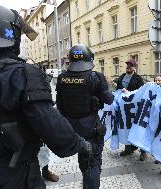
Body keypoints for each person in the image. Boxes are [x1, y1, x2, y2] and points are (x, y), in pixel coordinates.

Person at [0, 3, 92, 189]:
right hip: (18, 173)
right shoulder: (20, 74)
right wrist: (80, 144)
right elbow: (51, 125)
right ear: (9, 34)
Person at [56, 44, 114, 189]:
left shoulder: (62, 78)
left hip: (72, 129)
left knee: (83, 157)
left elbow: (60, 106)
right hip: (91, 128)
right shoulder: (95, 77)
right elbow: (109, 100)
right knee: (93, 163)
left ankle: (87, 182)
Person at [25, 58, 59, 182]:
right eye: (27, 65)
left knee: (44, 148)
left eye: (31, 65)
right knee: (29, 150)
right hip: (26, 120)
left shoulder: (41, 79)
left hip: (40, 117)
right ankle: (31, 175)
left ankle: (45, 171)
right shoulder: (19, 80)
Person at [114, 59, 147, 161]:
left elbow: (141, 92)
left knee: (138, 128)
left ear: (134, 67)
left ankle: (143, 152)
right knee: (125, 128)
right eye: (127, 65)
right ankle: (128, 149)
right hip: (124, 109)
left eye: (130, 65)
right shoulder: (122, 76)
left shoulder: (138, 78)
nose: (128, 67)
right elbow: (117, 88)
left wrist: (129, 92)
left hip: (135, 108)